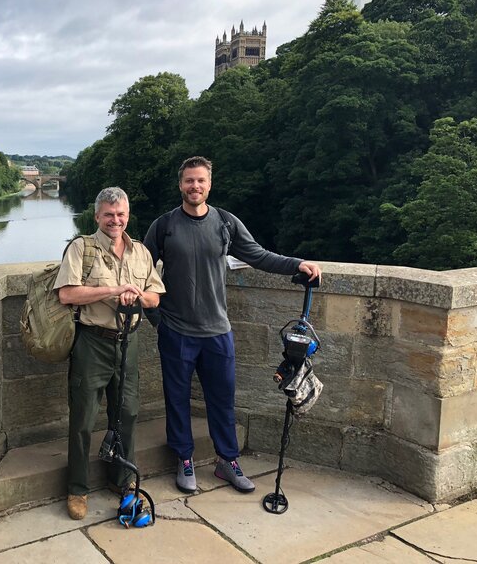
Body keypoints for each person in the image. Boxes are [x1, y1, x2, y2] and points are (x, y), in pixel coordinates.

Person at [143, 156, 321, 494]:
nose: (195, 186)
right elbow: (141, 271)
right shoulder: (164, 225)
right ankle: (184, 459)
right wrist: (157, 319)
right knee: (177, 399)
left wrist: (297, 264)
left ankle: (228, 460)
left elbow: (259, 255)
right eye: (189, 180)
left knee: (222, 400)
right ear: (180, 185)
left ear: (209, 184)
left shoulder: (225, 222)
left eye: (201, 180)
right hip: (176, 331)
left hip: (217, 331)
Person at [54, 187, 165, 520]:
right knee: (83, 418)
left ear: (127, 215)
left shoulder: (141, 252)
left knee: (127, 413)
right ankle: (77, 488)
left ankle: (122, 480)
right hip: (92, 342)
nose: (115, 220)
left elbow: (155, 297)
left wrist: (138, 296)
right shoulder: (81, 248)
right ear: (97, 216)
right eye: (108, 215)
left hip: (129, 342)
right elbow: (67, 294)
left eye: (120, 215)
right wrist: (115, 290)